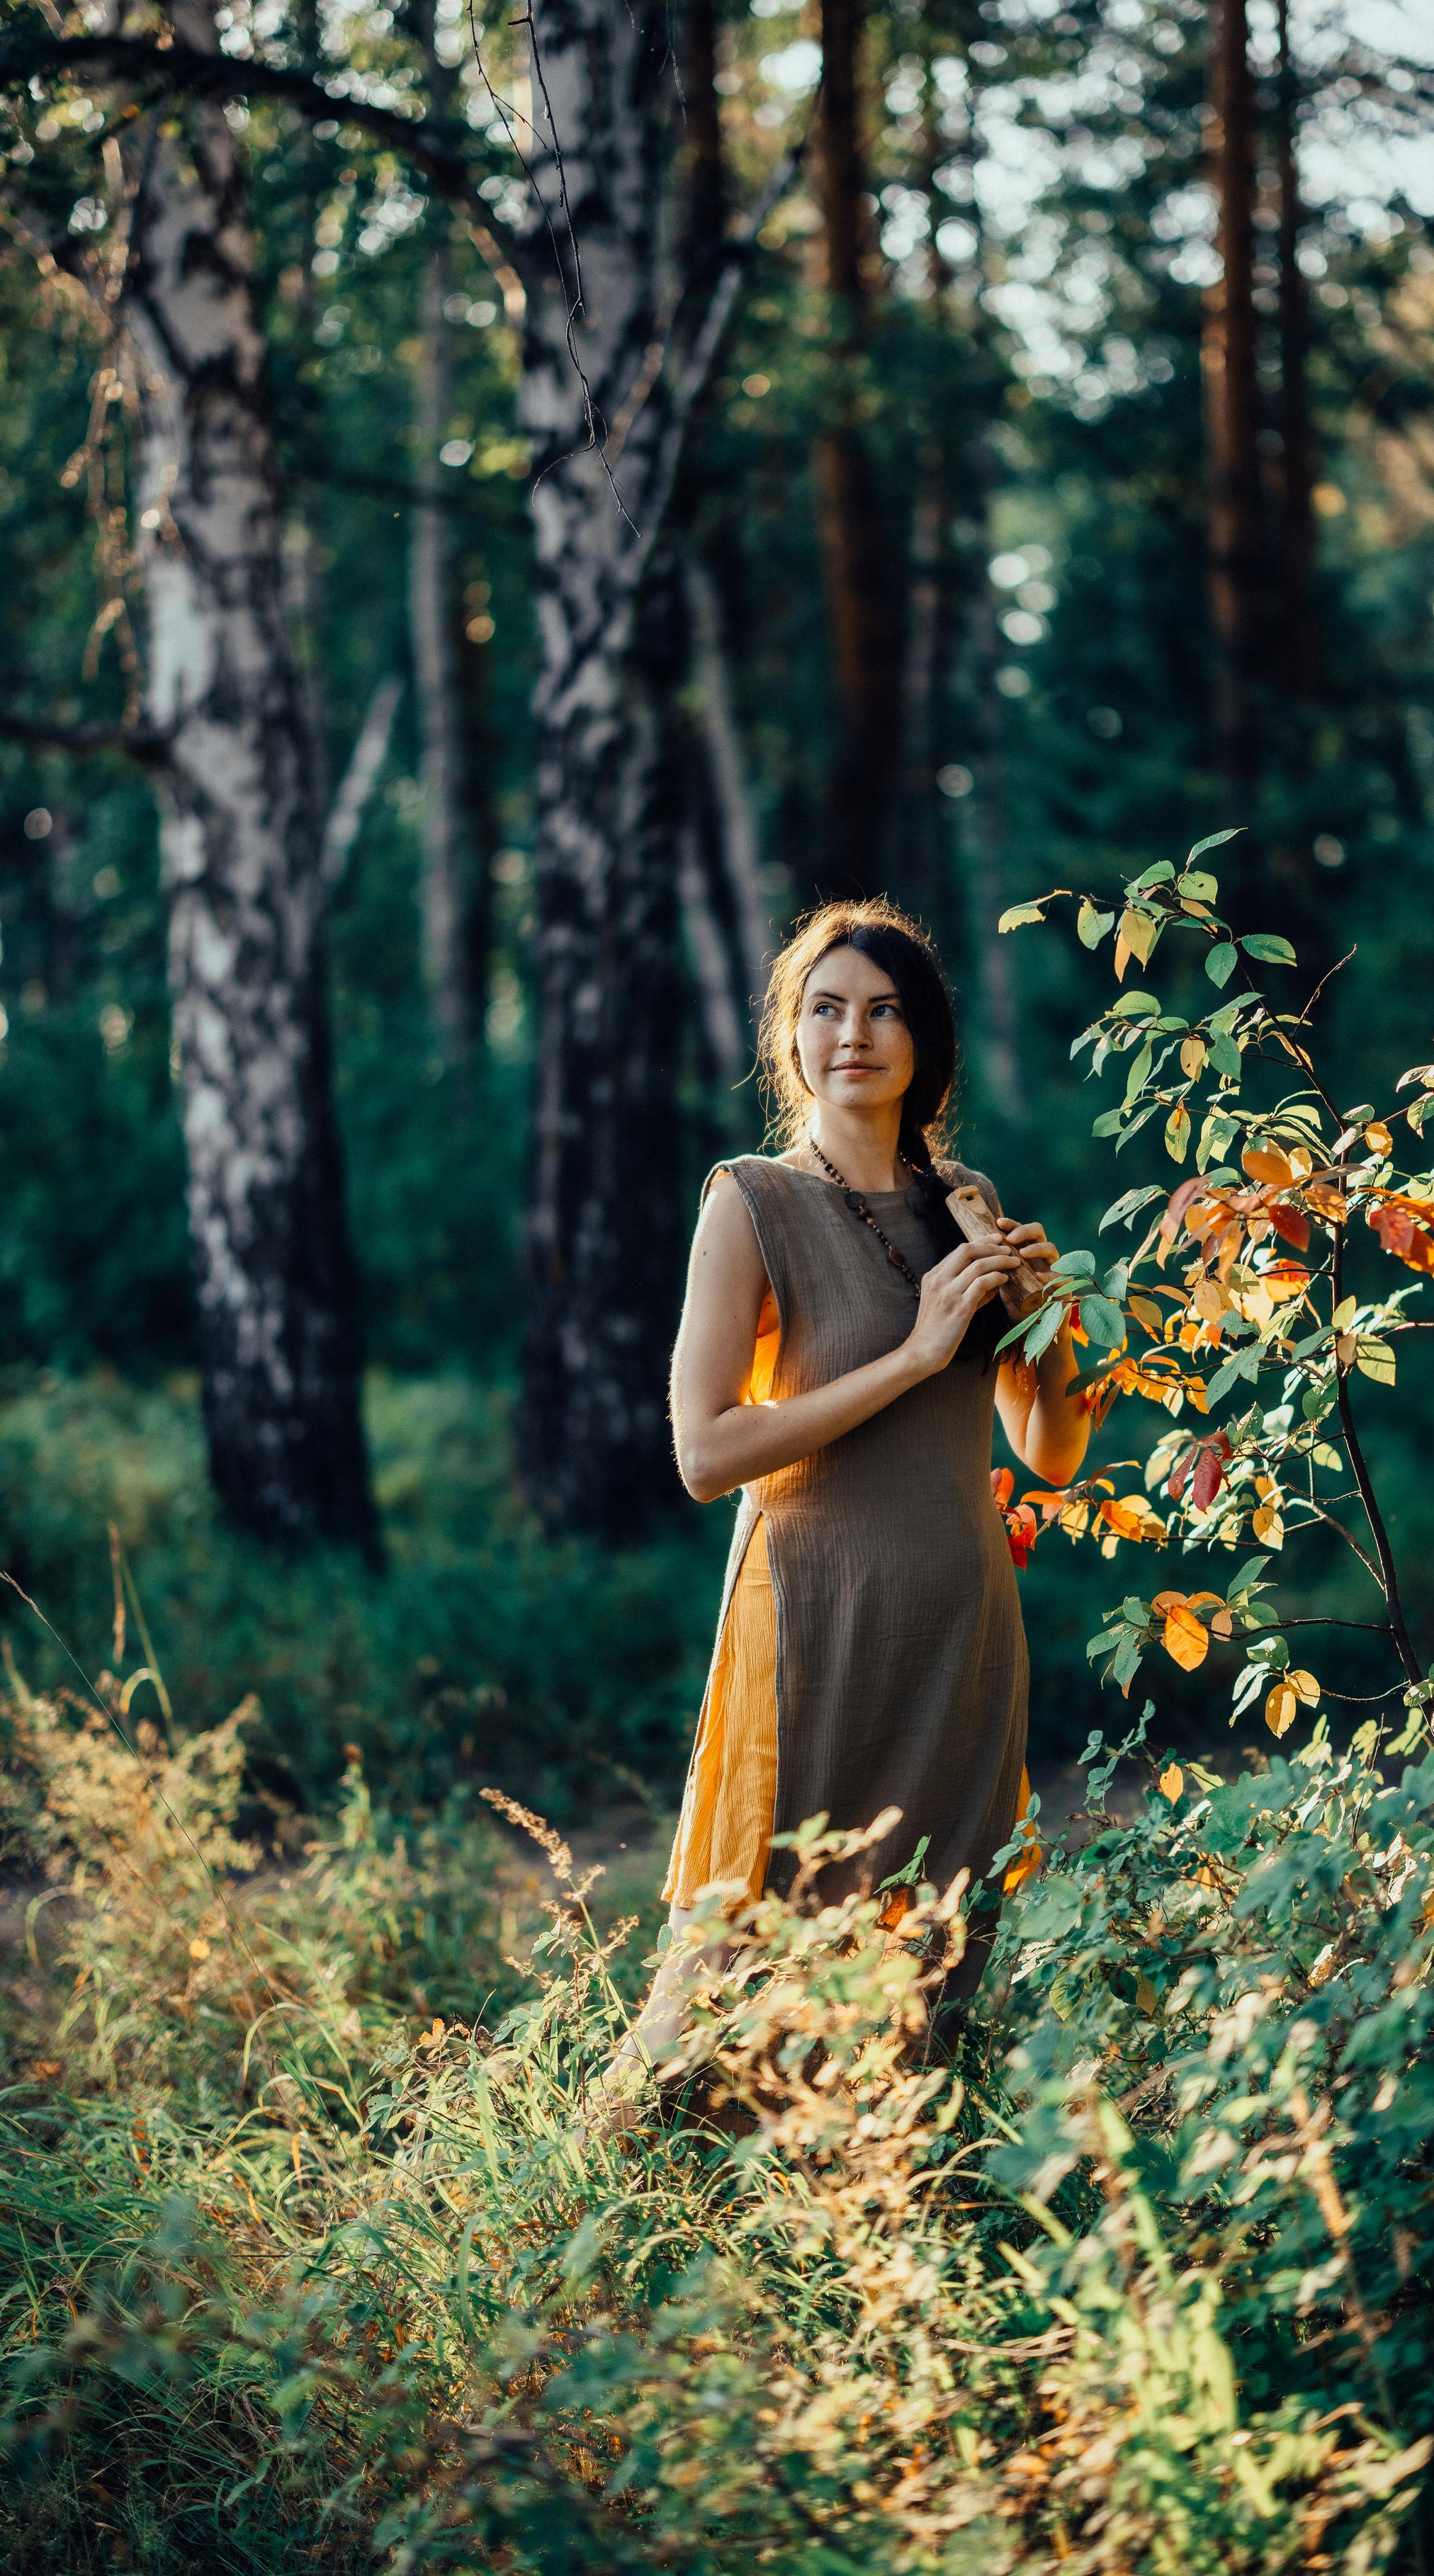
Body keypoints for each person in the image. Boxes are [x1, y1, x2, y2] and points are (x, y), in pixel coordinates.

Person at [601, 897, 1091, 2104]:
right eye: (825, 1009)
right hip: (814, 1625)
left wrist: (1047, 1318)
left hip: (962, 1635)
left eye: (883, 1011)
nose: (853, 1034)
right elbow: (705, 1453)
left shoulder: (963, 1200)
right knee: (737, 1953)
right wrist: (917, 1354)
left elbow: (1052, 1450)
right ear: (793, 1037)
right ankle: (618, 2177)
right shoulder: (752, 1200)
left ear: (925, 1040)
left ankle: (876, 2192)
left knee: (932, 1955)